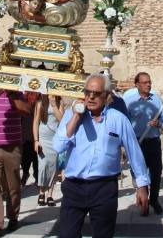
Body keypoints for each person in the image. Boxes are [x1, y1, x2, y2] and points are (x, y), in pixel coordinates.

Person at [54, 74, 150, 238]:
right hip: (74, 187)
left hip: (104, 188)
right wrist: (76, 117)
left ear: (106, 96)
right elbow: (58, 146)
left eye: (96, 93)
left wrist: (141, 186)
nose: (91, 97)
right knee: (67, 234)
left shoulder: (118, 119)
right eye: (87, 92)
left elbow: (134, 152)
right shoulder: (71, 116)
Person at [0, 89, 33, 237]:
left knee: (13, 186)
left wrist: (13, 97)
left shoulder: (15, 94)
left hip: (13, 146)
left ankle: (13, 216)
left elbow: (27, 111)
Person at [123, 72, 163, 215]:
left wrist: (158, 123)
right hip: (137, 143)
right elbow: (123, 122)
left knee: (156, 172)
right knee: (139, 172)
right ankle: (144, 200)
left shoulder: (157, 100)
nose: (148, 85)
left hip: (153, 142)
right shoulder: (129, 102)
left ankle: (154, 200)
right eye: (145, 82)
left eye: (149, 82)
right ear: (137, 84)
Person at [33, 94, 65, 207]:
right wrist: (36, 140)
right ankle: (41, 192)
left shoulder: (59, 101)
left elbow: (61, 119)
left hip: (55, 137)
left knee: (53, 166)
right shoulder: (39, 102)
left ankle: (50, 193)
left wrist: (54, 105)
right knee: (43, 165)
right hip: (43, 137)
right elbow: (36, 122)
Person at [20, 93, 40, 186]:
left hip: (37, 137)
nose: (32, 97)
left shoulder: (39, 105)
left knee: (36, 159)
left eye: (34, 95)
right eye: (30, 94)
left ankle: (37, 177)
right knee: (25, 160)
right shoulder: (23, 105)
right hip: (26, 137)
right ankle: (25, 174)